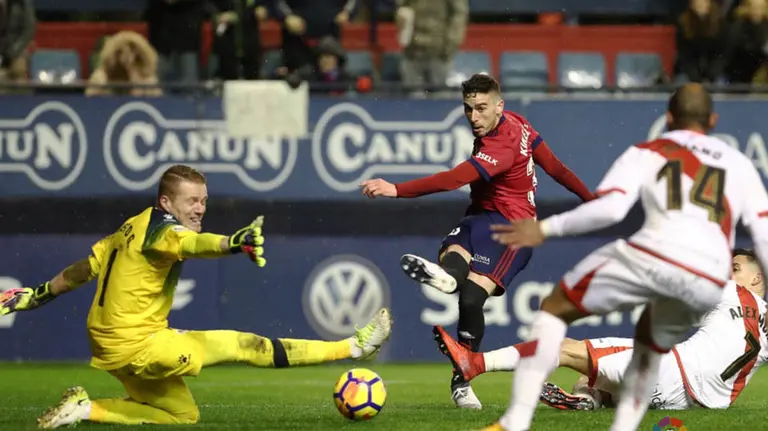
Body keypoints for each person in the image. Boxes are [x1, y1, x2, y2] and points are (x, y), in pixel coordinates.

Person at [0, 164, 393, 429]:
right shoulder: (165, 231)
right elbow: (194, 244)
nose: (200, 208)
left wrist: (36, 295)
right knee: (245, 345)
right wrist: (232, 243)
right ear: (166, 202)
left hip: (109, 342)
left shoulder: (130, 227)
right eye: (192, 201)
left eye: (204, 200)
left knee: (182, 415)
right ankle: (354, 348)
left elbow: (85, 268)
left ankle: (84, 408)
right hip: (137, 342)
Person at [476, 83, 768, 431]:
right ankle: (606, 409)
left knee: (554, 310)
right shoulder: (737, 164)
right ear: (713, 119)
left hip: (657, 255)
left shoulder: (649, 151)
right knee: (648, 347)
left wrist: (547, 229)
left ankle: (515, 420)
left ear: (669, 118)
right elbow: (763, 233)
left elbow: (610, 209)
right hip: (706, 277)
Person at [360, 73, 594, 409]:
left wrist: (396, 189)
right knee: (454, 253)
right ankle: (448, 278)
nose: (474, 117)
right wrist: (589, 197)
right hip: (481, 217)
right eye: (468, 109)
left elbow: (454, 178)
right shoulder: (520, 123)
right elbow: (556, 169)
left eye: (481, 108)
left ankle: (461, 379)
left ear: (500, 106)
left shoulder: (504, 145)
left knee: (470, 300)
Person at [433, 248, 767, 411]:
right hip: (695, 404)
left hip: (673, 372)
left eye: (735, 268)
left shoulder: (731, 291)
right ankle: (588, 401)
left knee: (562, 347)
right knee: (590, 376)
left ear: (757, 279)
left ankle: (475, 364)